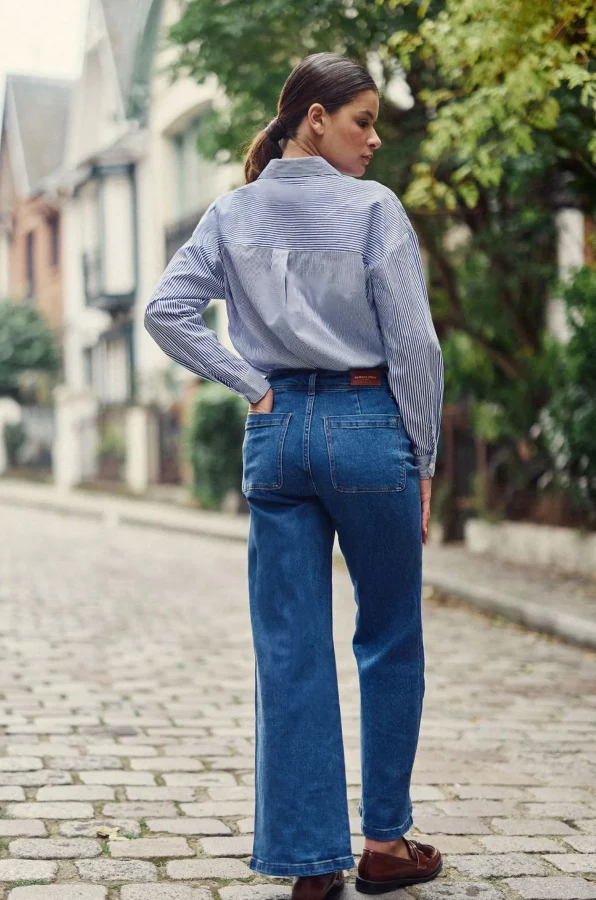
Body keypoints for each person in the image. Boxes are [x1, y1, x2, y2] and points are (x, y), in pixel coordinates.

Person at [144, 51, 444, 899]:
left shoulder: (230, 214)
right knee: (388, 636)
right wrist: (423, 455)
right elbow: (415, 346)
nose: (375, 140)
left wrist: (254, 384)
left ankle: (310, 863)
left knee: (290, 649)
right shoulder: (374, 211)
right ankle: (384, 846)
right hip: (365, 428)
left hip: (276, 439)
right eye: (362, 121)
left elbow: (165, 312)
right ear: (314, 118)